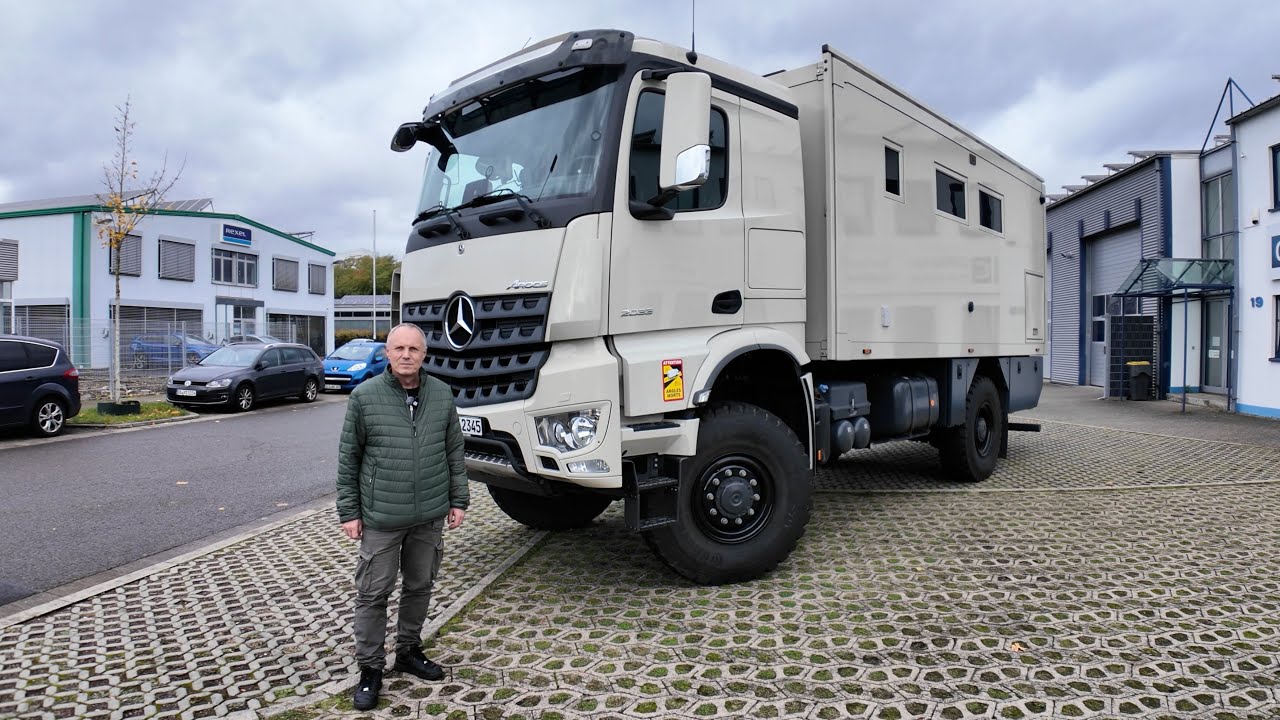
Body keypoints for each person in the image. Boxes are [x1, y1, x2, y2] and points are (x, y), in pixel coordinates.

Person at [336, 323, 469, 711]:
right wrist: (350, 511)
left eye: (414, 349)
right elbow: (349, 458)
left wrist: (458, 500)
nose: (406, 355)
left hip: (429, 513)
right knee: (373, 593)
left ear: (424, 354)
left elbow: (454, 451)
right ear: (387, 354)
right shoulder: (364, 397)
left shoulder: (441, 394)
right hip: (381, 516)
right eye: (399, 348)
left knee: (420, 585)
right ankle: (370, 668)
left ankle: (408, 650)